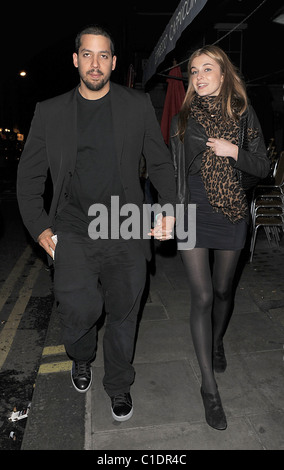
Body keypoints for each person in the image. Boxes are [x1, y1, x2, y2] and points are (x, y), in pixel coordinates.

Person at [17, 25, 176, 422]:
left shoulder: (136, 105)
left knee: (124, 311)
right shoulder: (50, 111)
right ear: (75, 60)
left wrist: (171, 209)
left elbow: (158, 162)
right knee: (78, 306)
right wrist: (40, 228)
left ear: (114, 62)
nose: (95, 63)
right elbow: (29, 178)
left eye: (103, 55)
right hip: (70, 228)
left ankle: (119, 385)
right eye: (87, 54)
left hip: (124, 225)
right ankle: (82, 355)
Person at [170, 45, 270, 430]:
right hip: (192, 209)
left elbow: (262, 165)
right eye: (193, 71)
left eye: (206, 68)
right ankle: (209, 389)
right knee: (203, 295)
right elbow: (170, 169)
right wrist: (167, 212)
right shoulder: (185, 117)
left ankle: (217, 341)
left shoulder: (244, 114)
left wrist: (234, 153)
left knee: (224, 291)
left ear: (224, 74)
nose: (198, 76)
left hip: (230, 212)